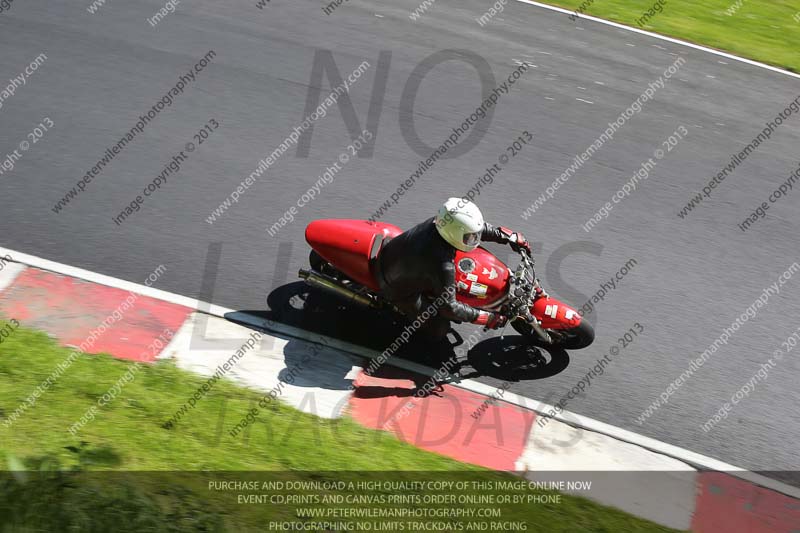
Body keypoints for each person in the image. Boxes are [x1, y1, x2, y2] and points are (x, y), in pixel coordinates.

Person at [375, 198, 531, 341]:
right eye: (470, 237)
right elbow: (450, 308)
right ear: (453, 234)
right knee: (439, 330)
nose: (474, 239)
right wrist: (487, 318)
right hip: (394, 282)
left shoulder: (442, 223)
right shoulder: (442, 264)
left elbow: (473, 229)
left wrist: (507, 237)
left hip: (403, 254)